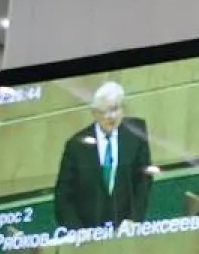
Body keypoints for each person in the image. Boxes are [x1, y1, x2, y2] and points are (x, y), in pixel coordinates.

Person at [53, 81, 153, 229]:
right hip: (87, 233)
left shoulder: (136, 133)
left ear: (122, 108)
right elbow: (63, 197)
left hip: (125, 230)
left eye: (114, 109)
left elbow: (144, 181)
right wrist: (77, 232)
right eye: (103, 112)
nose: (110, 116)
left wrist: (134, 219)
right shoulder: (76, 146)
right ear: (94, 114)